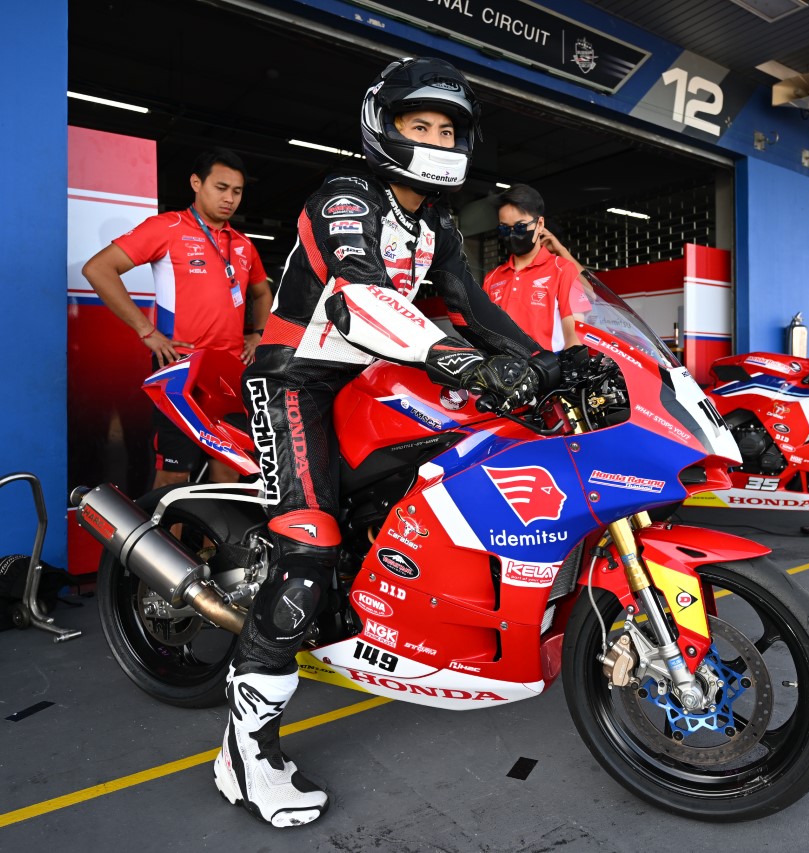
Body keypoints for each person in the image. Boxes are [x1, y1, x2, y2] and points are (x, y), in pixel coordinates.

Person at [213, 56, 556, 828]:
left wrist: (551, 363)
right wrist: (454, 357)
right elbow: (360, 291)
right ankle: (244, 752)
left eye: (447, 129)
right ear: (384, 126)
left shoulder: (437, 221)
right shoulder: (346, 195)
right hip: (297, 377)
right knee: (308, 546)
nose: (436, 139)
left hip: (377, 377)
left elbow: (472, 308)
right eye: (419, 124)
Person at [82, 148, 272, 488]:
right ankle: (164, 527)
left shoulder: (244, 244)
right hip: (181, 369)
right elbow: (98, 268)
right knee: (174, 474)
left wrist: (258, 333)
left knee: (230, 469)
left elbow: (262, 294)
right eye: (221, 187)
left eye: (237, 191)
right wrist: (146, 330)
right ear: (196, 183)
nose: (229, 198)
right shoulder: (167, 227)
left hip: (230, 372)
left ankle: (213, 528)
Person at [483, 184, 592, 351]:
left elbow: (574, 338)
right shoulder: (492, 278)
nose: (512, 234)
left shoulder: (562, 270)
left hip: (546, 366)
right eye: (505, 229)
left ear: (540, 224)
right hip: (500, 366)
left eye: (520, 227)